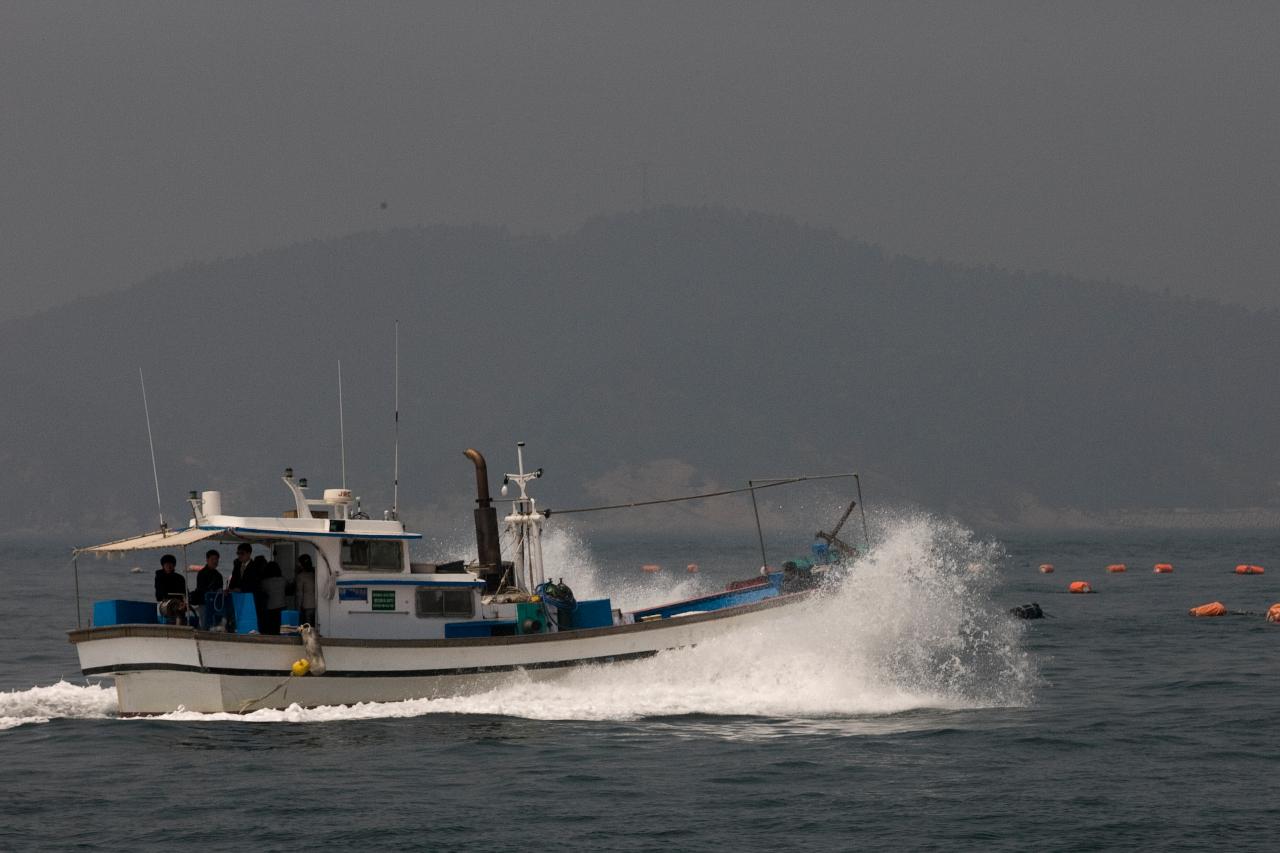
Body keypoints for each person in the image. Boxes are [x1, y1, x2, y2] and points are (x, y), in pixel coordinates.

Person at [191, 549, 226, 630]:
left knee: (215, 623)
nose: (215, 561)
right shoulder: (202, 573)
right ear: (207, 560)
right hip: (204, 602)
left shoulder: (218, 575)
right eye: (212, 559)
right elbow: (201, 589)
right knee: (204, 623)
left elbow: (220, 589)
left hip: (215, 603)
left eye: (216, 559)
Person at [154, 554, 188, 624]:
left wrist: (185, 602)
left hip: (179, 604)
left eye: (171, 564)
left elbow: (185, 593)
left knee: (181, 611)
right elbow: (159, 594)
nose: (169, 566)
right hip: (164, 605)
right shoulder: (159, 577)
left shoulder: (180, 578)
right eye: (166, 564)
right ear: (163, 565)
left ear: (174, 565)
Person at [260, 561, 286, 635]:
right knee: (280, 627)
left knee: (271, 628)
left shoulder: (265, 582)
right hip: (282, 606)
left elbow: (263, 592)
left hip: (270, 607)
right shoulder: (283, 580)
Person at [295, 554, 317, 627]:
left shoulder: (301, 576)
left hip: (307, 606)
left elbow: (299, 594)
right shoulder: (315, 573)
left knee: (307, 629)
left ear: (301, 564)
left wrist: (298, 608)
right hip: (317, 605)